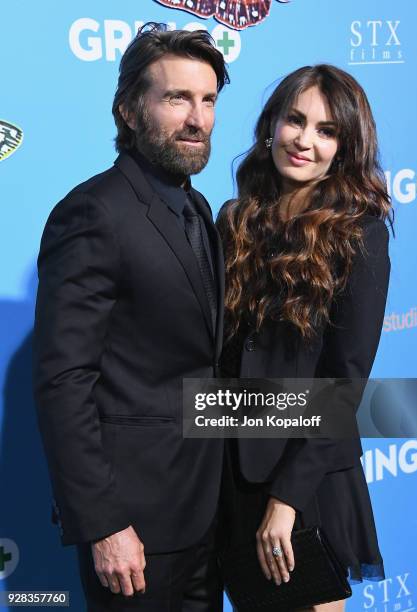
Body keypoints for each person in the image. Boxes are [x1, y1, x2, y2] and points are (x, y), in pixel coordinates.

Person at [33, 23, 229, 611]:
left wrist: (336, 414)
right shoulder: (92, 212)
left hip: (206, 515)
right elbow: (63, 381)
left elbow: (199, 367)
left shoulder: (197, 207)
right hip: (134, 532)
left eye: (208, 100)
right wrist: (104, 524)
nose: (196, 118)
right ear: (129, 110)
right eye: (176, 99)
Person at [217, 64, 392, 611]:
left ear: (345, 147)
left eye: (326, 130)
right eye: (295, 120)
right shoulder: (235, 218)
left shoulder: (359, 232)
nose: (304, 140)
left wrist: (288, 499)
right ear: (272, 124)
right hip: (230, 468)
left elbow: (346, 381)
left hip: (306, 479)